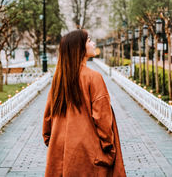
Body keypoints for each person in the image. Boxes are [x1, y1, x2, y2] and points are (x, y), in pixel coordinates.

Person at [42, 29, 126, 177]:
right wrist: (109, 148)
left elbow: (48, 118)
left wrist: (53, 141)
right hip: (88, 152)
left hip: (61, 150)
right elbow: (102, 119)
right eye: (89, 41)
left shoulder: (58, 80)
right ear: (79, 47)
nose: (93, 44)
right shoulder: (93, 77)